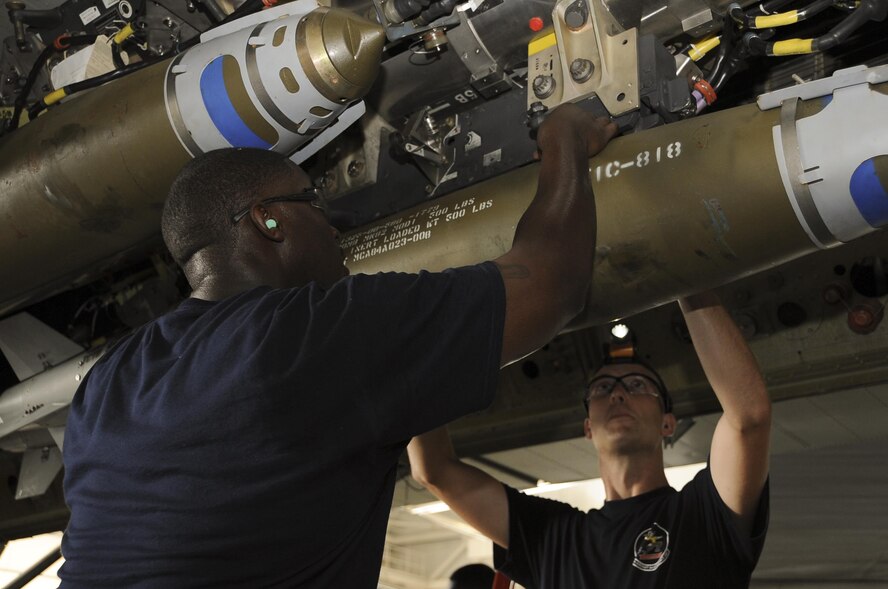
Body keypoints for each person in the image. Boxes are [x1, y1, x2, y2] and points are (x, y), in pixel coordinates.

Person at [58, 104, 619, 587]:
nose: (333, 231)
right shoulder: (307, 334)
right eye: (315, 205)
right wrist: (562, 140)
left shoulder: (107, 380)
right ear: (269, 222)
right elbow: (552, 285)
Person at [408, 292, 771, 588]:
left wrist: (685, 280)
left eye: (636, 386)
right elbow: (434, 470)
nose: (617, 395)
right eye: (602, 388)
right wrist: (415, 358)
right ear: (587, 427)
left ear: (667, 423)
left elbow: (748, 417)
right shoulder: (552, 538)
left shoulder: (701, 514)